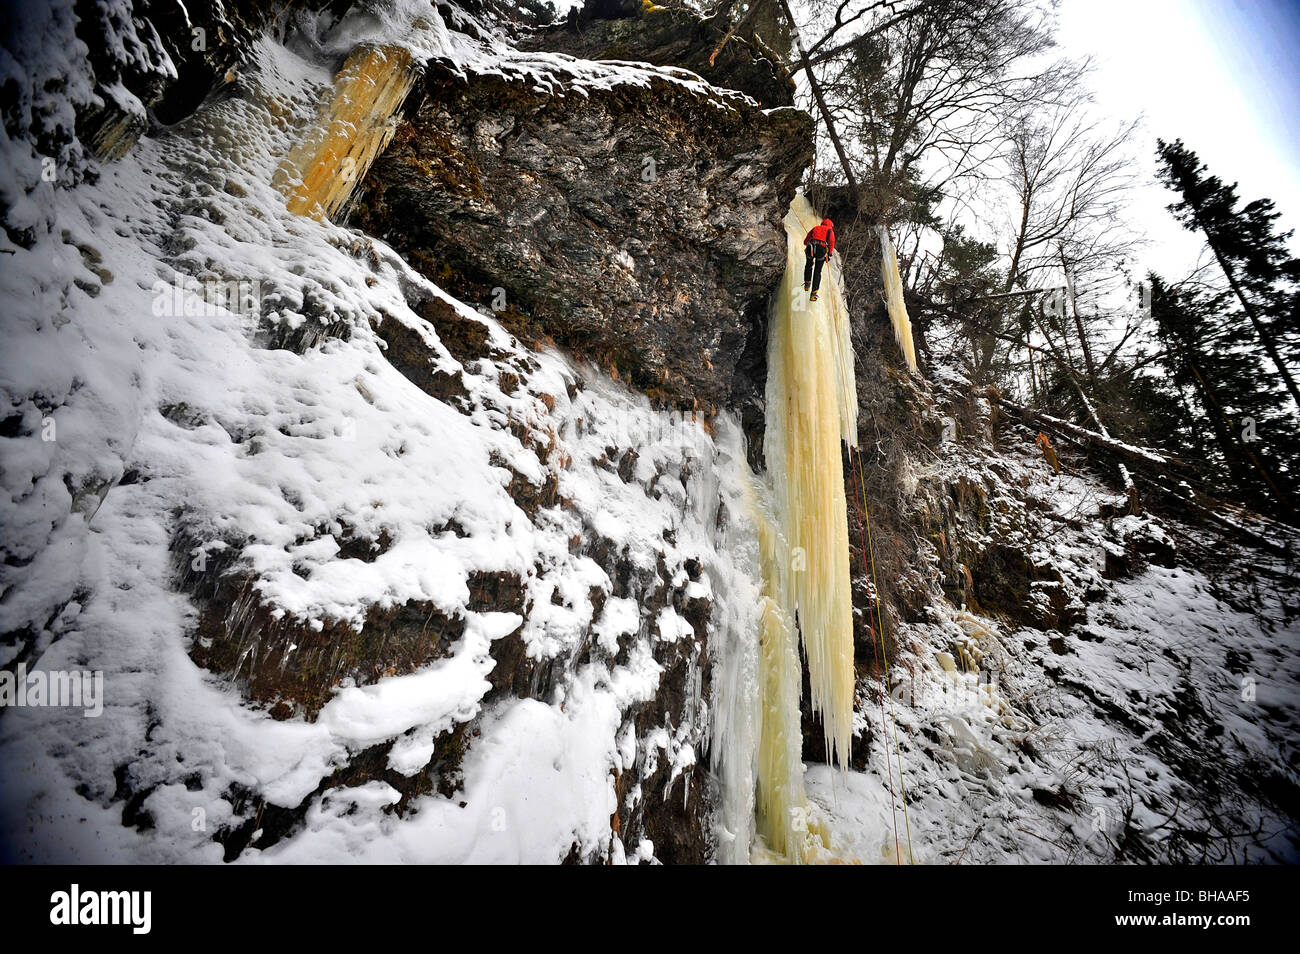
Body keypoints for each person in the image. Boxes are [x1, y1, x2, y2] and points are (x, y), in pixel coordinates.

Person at [803, 217, 836, 301]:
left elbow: (806, 240)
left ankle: (807, 284)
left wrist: (807, 242)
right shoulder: (830, 231)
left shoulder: (816, 228)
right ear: (830, 225)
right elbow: (831, 243)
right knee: (817, 271)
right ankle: (813, 294)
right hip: (821, 250)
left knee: (809, 265)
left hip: (811, 247)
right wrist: (829, 255)